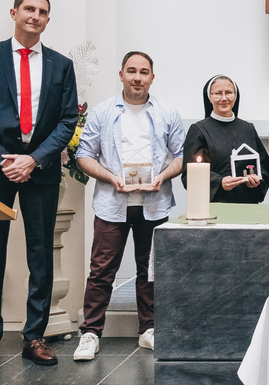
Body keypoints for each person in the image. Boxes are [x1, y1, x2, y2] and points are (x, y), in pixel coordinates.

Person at [0, 0, 79, 370]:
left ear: (47, 19)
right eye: (29, 8)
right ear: (14, 13)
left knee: (41, 257)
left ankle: (34, 337)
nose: (35, 15)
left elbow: (66, 121)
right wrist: (2, 160)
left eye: (43, 11)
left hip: (40, 172)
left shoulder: (61, 65)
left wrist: (34, 159)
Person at [73, 51, 185, 360]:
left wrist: (162, 176)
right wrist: (111, 178)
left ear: (152, 77)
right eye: (132, 71)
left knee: (150, 271)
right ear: (121, 74)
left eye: (144, 71)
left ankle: (148, 330)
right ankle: (91, 333)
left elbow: (181, 154)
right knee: (101, 270)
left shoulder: (167, 113)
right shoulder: (102, 112)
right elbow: (83, 155)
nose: (137, 77)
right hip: (112, 203)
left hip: (154, 202)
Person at [182, 75, 269, 203]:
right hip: (215, 204)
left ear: (235, 96)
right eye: (218, 93)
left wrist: (257, 180)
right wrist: (219, 182)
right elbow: (189, 174)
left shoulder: (248, 128)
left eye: (229, 93)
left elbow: (264, 164)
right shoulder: (199, 130)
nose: (224, 98)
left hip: (247, 204)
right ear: (210, 97)